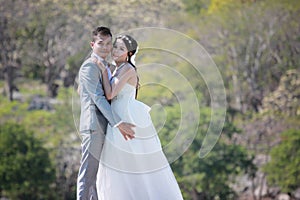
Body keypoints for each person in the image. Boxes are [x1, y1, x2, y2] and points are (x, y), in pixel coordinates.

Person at [95, 35, 184, 200]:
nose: (115, 51)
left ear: (129, 53)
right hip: (117, 116)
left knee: (130, 161)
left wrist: (102, 70)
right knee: (117, 161)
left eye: (121, 49)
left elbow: (110, 93)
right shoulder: (117, 68)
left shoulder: (128, 69)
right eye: (115, 47)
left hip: (126, 116)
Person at [77, 27, 136, 200]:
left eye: (109, 44)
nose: (105, 48)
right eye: (101, 44)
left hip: (103, 127)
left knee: (97, 176)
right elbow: (98, 98)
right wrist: (118, 123)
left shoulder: (106, 66)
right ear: (92, 44)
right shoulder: (90, 66)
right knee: (87, 174)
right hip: (93, 125)